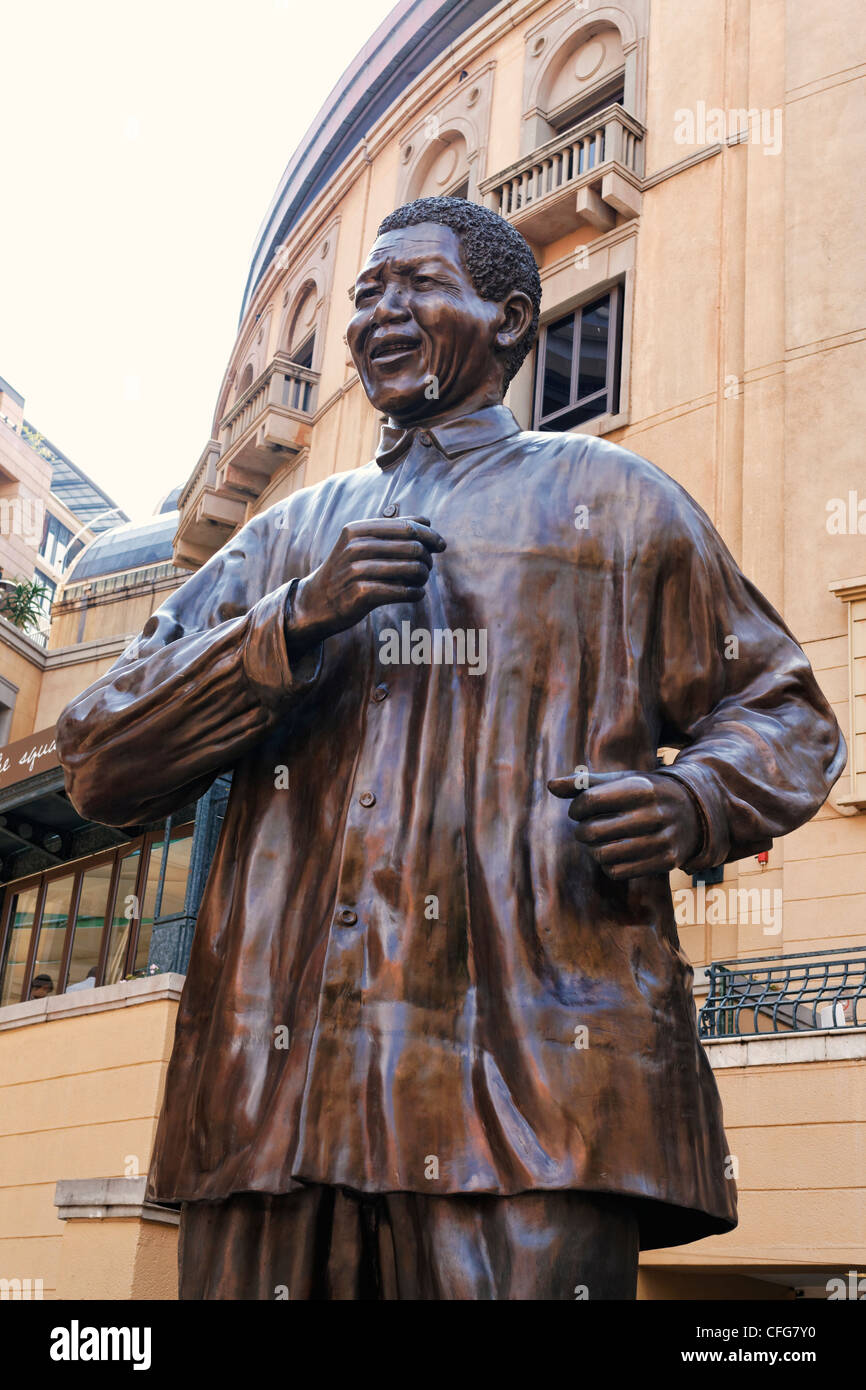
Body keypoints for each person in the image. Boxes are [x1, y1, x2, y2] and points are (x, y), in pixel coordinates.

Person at [56, 197, 845, 1300]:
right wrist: (285, 625)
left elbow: (786, 711)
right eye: (364, 293)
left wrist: (692, 804)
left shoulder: (615, 504)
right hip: (271, 1109)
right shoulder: (284, 538)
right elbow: (97, 757)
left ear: (510, 317)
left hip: (527, 1090)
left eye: (414, 285)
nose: (378, 312)